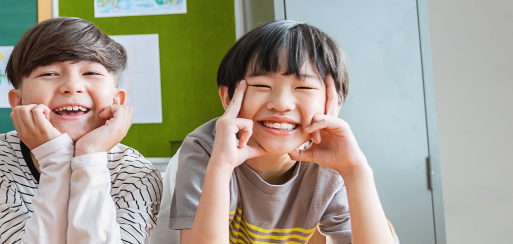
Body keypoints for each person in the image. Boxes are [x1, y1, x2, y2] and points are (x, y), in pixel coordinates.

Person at [167, 20, 394, 244]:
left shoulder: (332, 159)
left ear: (332, 104)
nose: (281, 104)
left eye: (304, 88)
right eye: (262, 86)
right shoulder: (205, 149)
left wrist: (355, 171)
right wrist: (222, 165)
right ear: (228, 98)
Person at [0, 17, 162, 244]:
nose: (72, 87)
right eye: (49, 74)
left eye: (91, 73)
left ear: (116, 100)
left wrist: (90, 156)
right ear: (18, 101)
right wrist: (55, 158)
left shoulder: (136, 174)